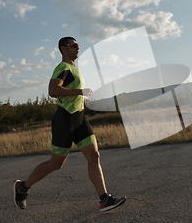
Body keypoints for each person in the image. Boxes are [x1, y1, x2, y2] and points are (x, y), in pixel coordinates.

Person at [14, 37, 126, 213]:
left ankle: (105, 199)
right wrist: (79, 91)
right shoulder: (63, 68)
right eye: (74, 45)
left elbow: (68, 93)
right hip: (65, 121)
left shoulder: (74, 69)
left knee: (94, 156)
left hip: (79, 119)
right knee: (56, 164)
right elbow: (53, 90)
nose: (77, 48)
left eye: (78, 45)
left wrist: (82, 97)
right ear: (63, 49)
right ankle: (22, 187)